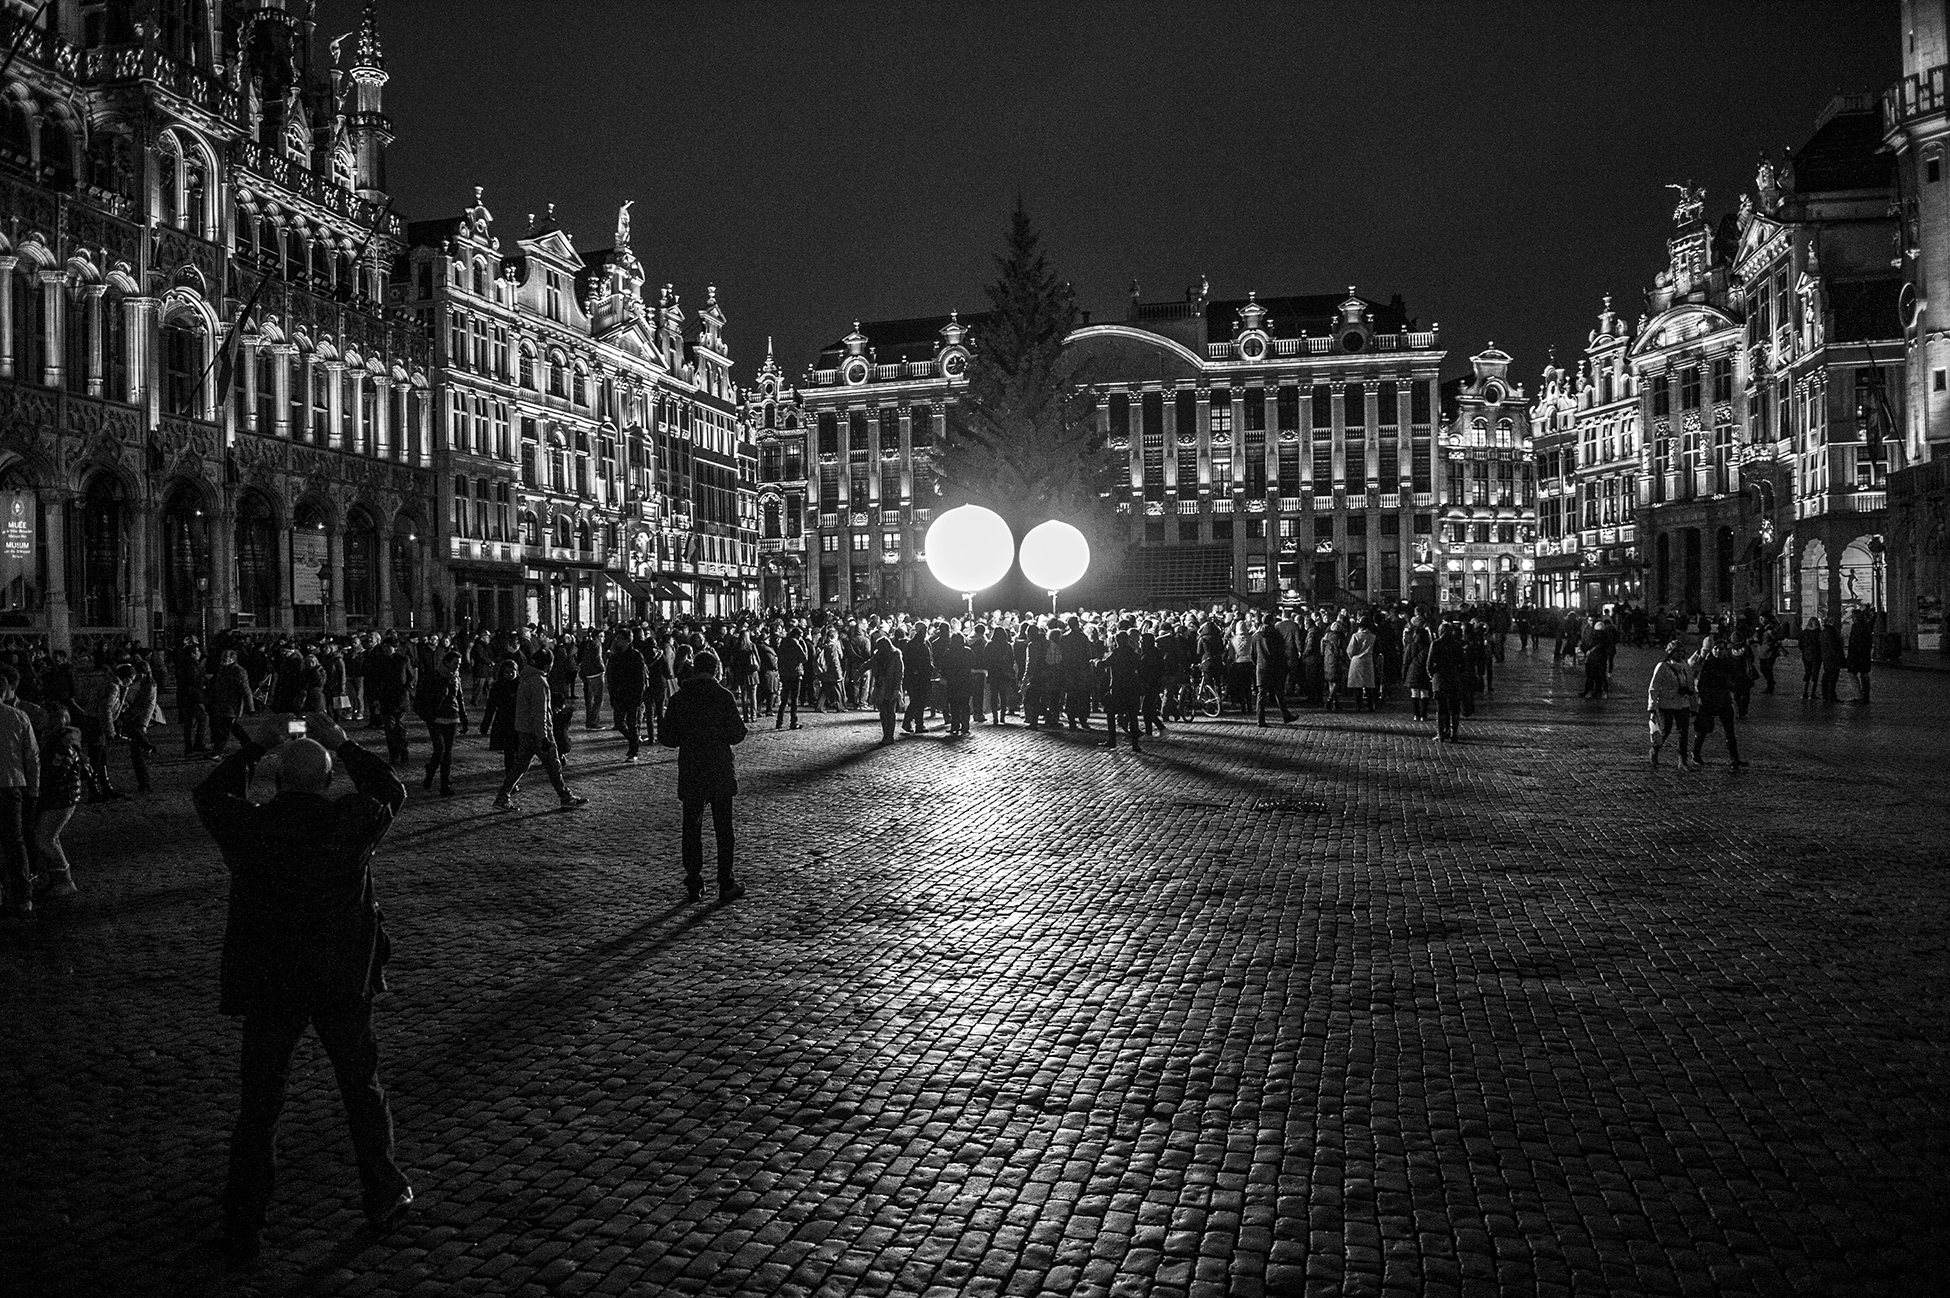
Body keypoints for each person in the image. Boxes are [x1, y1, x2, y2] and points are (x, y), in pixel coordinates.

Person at [192, 712, 414, 1264]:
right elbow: (391, 790)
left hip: (272, 976)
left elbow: (209, 795)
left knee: (260, 1103)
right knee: (361, 1089)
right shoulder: (350, 822)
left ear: (277, 780)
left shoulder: (252, 826)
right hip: (340, 975)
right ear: (329, 780)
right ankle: (382, 1192)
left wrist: (253, 746)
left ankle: (245, 1221)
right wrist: (344, 743)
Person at [658, 650, 748, 903]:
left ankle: (694, 881)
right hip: (719, 767)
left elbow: (668, 737)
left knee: (691, 827)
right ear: (715, 669)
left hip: (692, 768)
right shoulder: (723, 696)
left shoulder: (680, 698)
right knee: (723, 829)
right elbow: (737, 733)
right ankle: (725, 881)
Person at [492, 652, 587, 812]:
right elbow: (540, 712)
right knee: (553, 765)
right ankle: (566, 797)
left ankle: (502, 797)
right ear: (547, 664)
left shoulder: (525, 678)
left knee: (520, 766)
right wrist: (544, 736)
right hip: (538, 732)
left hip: (525, 729)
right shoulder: (538, 682)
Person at [0, 683, 39, 918]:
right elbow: (31, 755)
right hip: (10, 784)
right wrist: (33, 789)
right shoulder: (18, 716)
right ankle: (24, 897)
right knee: (15, 842)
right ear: (5, 692)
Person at [1690, 636, 1747, 768]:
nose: (1718, 651)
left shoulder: (1728, 663)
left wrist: (1733, 684)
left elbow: (1734, 681)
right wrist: (1704, 699)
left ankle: (1734, 759)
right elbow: (1700, 683)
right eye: (1716, 648)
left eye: (1721, 649)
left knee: (1729, 731)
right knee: (1703, 730)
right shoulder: (1705, 663)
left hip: (1724, 700)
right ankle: (1695, 753)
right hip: (1708, 701)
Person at [416, 651, 467, 797]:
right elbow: (421, 699)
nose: (457, 666)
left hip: (452, 717)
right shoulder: (432, 677)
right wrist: (428, 715)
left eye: (459, 664)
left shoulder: (456, 678)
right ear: (446, 662)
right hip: (436, 718)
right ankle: (431, 770)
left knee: (447, 754)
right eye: (455, 663)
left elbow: (460, 698)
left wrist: (464, 718)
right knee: (439, 750)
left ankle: (445, 785)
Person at [1646, 639, 1695, 769]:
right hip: (1666, 704)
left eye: (1681, 651)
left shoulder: (1685, 666)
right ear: (1670, 652)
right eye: (1676, 651)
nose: (1679, 654)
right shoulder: (1662, 666)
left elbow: (1690, 683)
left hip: (1683, 703)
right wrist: (1652, 707)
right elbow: (1654, 687)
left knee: (1683, 732)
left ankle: (1682, 760)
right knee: (1665, 731)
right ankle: (1655, 750)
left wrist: (1692, 702)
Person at [606, 634, 648, 761]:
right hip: (619, 694)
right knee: (619, 722)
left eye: (620, 639)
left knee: (632, 723)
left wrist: (639, 695)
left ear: (628, 641)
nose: (617, 641)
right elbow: (611, 676)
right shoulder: (615, 656)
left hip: (632, 694)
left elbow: (641, 677)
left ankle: (633, 751)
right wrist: (612, 694)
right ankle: (634, 740)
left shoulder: (636, 655)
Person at [1427, 622, 1470, 743]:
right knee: (1454, 707)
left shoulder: (1435, 644)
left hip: (1440, 678)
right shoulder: (1456, 644)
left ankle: (1441, 733)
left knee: (1441, 707)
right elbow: (1463, 663)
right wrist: (1458, 673)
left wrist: (1433, 675)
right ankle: (1453, 733)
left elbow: (1429, 663)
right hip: (1453, 678)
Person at [1252, 612, 1296, 727]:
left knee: (1261, 694)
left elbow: (1253, 655)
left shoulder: (1256, 637)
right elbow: (1281, 652)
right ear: (1271, 622)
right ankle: (1285, 715)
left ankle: (1260, 719)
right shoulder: (1276, 635)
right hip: (1275, 668)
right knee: (1279, 693)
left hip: (1262, 668)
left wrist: (1258, 664)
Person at [936, 632, 974, 737]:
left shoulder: (948, 653)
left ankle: (955, 725)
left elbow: (943, 667)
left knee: (954, 705)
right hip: (965, 681)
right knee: (965, 704)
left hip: (953, 682)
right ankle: (965, 726)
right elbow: (972, 664)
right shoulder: (968, 652)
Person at [868, 634, 904, 744]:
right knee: (884, 713)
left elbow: (899, 673)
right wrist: (859, 673)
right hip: (881, 687)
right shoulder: (878, 655)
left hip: (891, 687)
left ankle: (889, 736)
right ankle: (886, 735)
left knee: (890, 712)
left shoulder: (896, 655)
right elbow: (869, 663)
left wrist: (897, 689)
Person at [774, 624, 807, 730]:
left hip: (785, 674)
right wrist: (803, 644)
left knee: (784, 699)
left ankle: (779, 721)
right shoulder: (796, 644)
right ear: (797, 635)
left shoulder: (783, 644)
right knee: (794, 699)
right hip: (795, 674)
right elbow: (804, 658)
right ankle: (793, 721)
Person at [1345, 621, 1379, 712]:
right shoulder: (1373, 637)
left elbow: (1350, 650)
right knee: (1368, 685)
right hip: (1368, 660)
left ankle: (1358, 706)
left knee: (1357, 685)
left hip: (1357, 661)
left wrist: (1352, 657)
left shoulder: (1355, 636)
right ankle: (1370, 705)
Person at [1845, 607, 1875, 704]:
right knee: (1864, 675)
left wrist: (1851, 655)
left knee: (1853, 674)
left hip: (1856, 655)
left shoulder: (1856, 626)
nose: (1852, 618)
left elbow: (1854, 642)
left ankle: (1859, 696)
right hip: (1864, 655)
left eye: (1853, 616)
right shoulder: (1866, 626)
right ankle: (1866, 696)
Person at [577, 632, 607, 729]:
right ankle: (594, 721)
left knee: (589, 700)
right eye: (601, 636)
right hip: (597, 674)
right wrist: (603, 669)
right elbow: (598, 658)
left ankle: (589, 721)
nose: (603, 638)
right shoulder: (597, 645)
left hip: (588, 674)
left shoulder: (587, 645)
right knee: (598, 699)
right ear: (597, 637)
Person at [1799, 617, 1824, 701]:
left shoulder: (1804, 633)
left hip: (1806, 655)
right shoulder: (1819, 633)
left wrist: (1805, 651)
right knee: (1815, 674)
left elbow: (1800, 644)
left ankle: (1804, 692)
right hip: (1816, 655)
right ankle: (1812, 693)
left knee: (1807, 673)